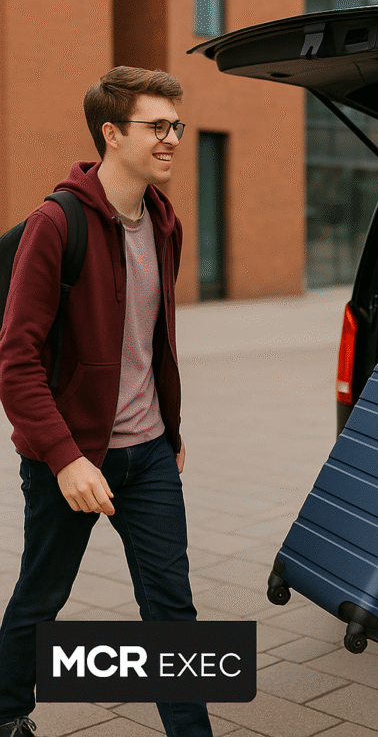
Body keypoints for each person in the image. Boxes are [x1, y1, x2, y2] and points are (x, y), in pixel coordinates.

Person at [0, 67, 213, 737]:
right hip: (69, 458)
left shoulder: (165, 223)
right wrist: (65, 459)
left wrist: (170, 424)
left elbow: (152, 340)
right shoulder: (55, 223)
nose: (172, 138)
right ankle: (6, 713)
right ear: (112, 133)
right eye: (157, 126)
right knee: (43, 595)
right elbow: (16, 360)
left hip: (148, 455)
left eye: (176, 125)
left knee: (173, 609)